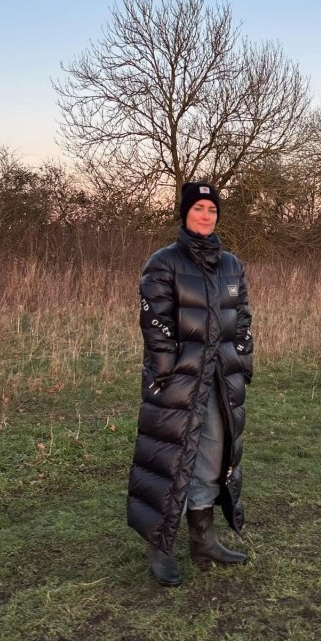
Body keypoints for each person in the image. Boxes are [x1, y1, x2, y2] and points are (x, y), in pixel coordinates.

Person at [126, 181, 253, 586]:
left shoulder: (231, 265)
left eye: (211, 210)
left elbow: (243, 319)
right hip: (178, 383)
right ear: (184, 212)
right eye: (198, 208)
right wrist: (166, 371)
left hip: (219, 382)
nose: (205, 215)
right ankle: (160, 547)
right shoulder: (163, 262)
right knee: (168, 461)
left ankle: (203, 540)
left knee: (213, 458)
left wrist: (242, 362)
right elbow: (155, 323)